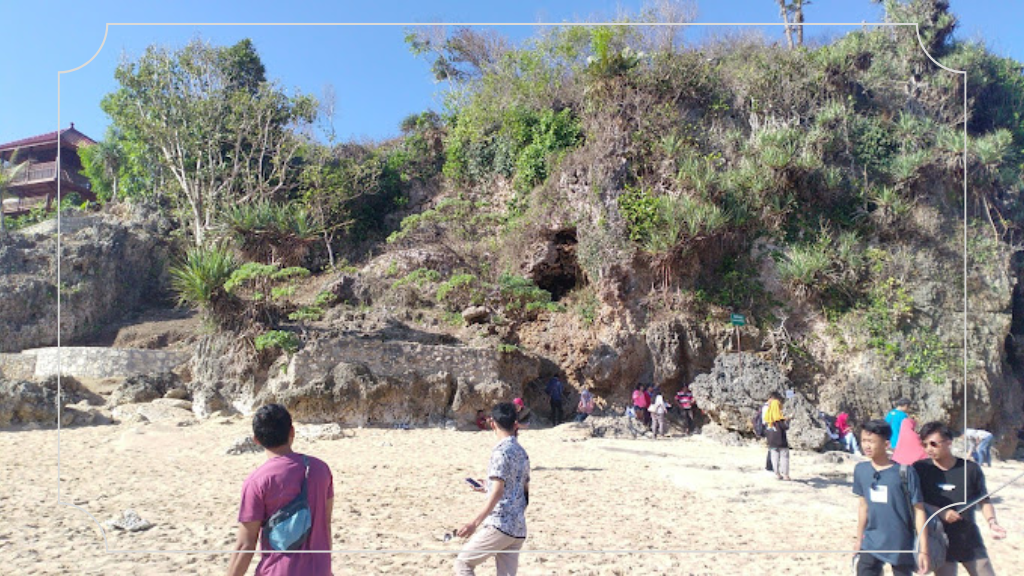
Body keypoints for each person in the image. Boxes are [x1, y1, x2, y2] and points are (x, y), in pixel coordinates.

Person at [227, 404, 334, 576]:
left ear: (256, 440)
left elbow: (245, 545)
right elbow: (325, 525)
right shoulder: (321, 469)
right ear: (292, 431)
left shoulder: (257, 481)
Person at [914, 422, 1006, 576]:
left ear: (948, 442)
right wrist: (940, 512)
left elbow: (984, 500)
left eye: (933, 444)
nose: (929, 449)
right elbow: (915, 502)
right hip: (938, 539)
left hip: (968, 537)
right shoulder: (920, 468)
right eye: (924, 445)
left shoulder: (970, 469)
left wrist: (992, 522)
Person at [455, 402, 531, 576]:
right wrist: (488, 487)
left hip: (500, 524)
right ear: (515, 424)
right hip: (518, 526)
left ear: (492, 423)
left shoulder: (500, 452)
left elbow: (498, 492)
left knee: (463, 563)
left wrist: (474, 523)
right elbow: (522, 489)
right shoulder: (521, 452)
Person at [853, 419, 929, 576]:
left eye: (871, 442)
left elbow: (919, 510)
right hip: (871, 541)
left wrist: (924, 549)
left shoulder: (905, 473)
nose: (866, 446)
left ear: (886, 444)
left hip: (901, 542)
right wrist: (859, 539)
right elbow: (863, 507)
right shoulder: (861, 470)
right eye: (864, 441)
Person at [764, 392, 790, 480]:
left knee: (774, 457)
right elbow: (785, 427)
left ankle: (777, 474)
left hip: (771, 441)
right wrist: (788, 420)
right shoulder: (779, 419)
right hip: (781, 441)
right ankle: (785, 475)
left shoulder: (768, 418)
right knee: (784, 456)